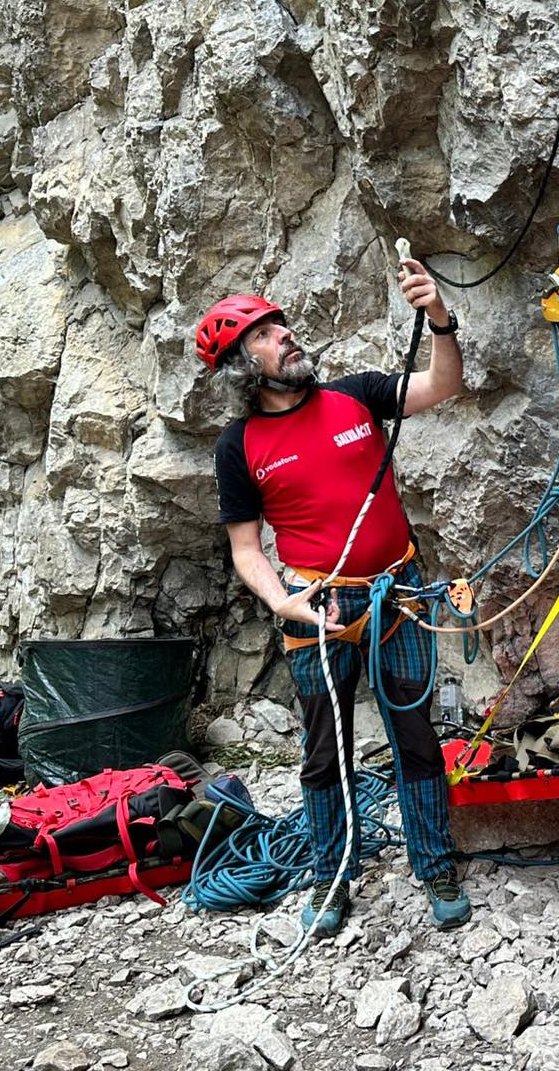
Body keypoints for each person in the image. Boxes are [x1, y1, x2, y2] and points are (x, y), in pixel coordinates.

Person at [201, 259, 472, 935]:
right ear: (242, 365)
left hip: (398, 595)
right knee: (326, 747)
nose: (285, 335)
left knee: (415, 734)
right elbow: (246, 549)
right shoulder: (239, 447)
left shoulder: (356, 397)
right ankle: (330, 876)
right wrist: (281, 602)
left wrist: (438, 316)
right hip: (317, 604)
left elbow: (443, 383)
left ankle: (434, 864)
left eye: (281, 325)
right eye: (265, 335)